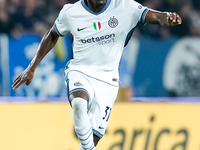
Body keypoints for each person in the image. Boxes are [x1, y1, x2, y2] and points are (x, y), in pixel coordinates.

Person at [12, 0, 182, 149]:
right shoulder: (71, 12)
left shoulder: (125, 6)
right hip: (80, 70)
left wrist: (168, 17)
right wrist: (31, 67)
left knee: (91, 140)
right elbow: (53, 33)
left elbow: (154, 15)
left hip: (108, 79)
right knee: (79, 103)